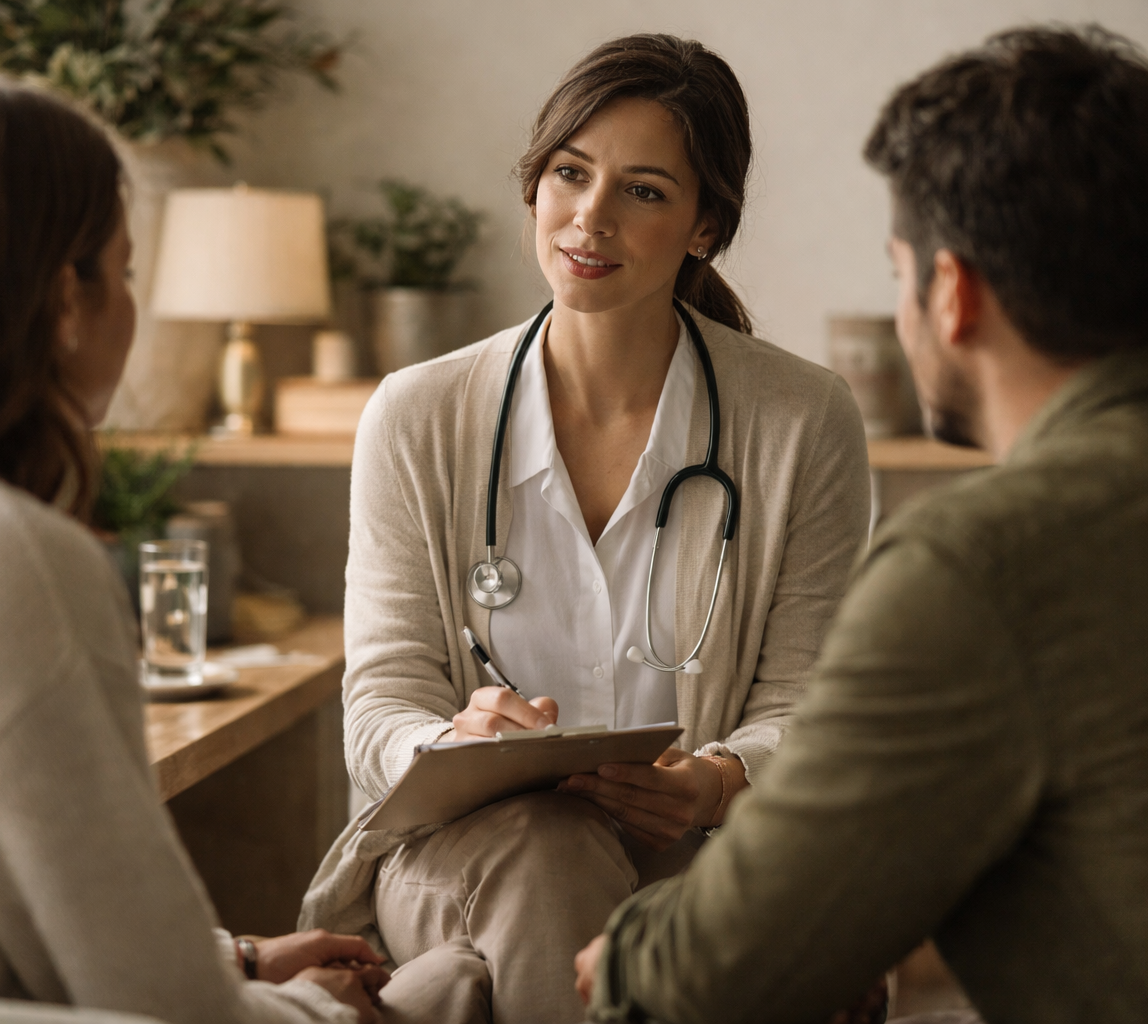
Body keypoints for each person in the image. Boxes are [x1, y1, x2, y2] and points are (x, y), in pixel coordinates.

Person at [573, 24, 1148, 1024]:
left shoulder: (980, 565)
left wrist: (625, 956)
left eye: (898, 271)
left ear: (952, 294)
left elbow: (712, 972)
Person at [0, 73, 390, 1024]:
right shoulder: (2, 557)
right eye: (126, 269)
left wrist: (237, 958)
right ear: (67, 298)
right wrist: (322, 1006)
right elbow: (172, 1012)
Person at [300, 33, 872, 1024]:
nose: (591, 217)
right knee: (553, 848)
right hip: (468, 862)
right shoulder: (415, 413)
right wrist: (454, 738)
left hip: (706, 856)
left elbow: (812, 708)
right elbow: (379, 710)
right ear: (536, 185)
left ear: (705, 226)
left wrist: (718, 778)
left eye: (644, 191)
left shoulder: (801, 421)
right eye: (570, 173)